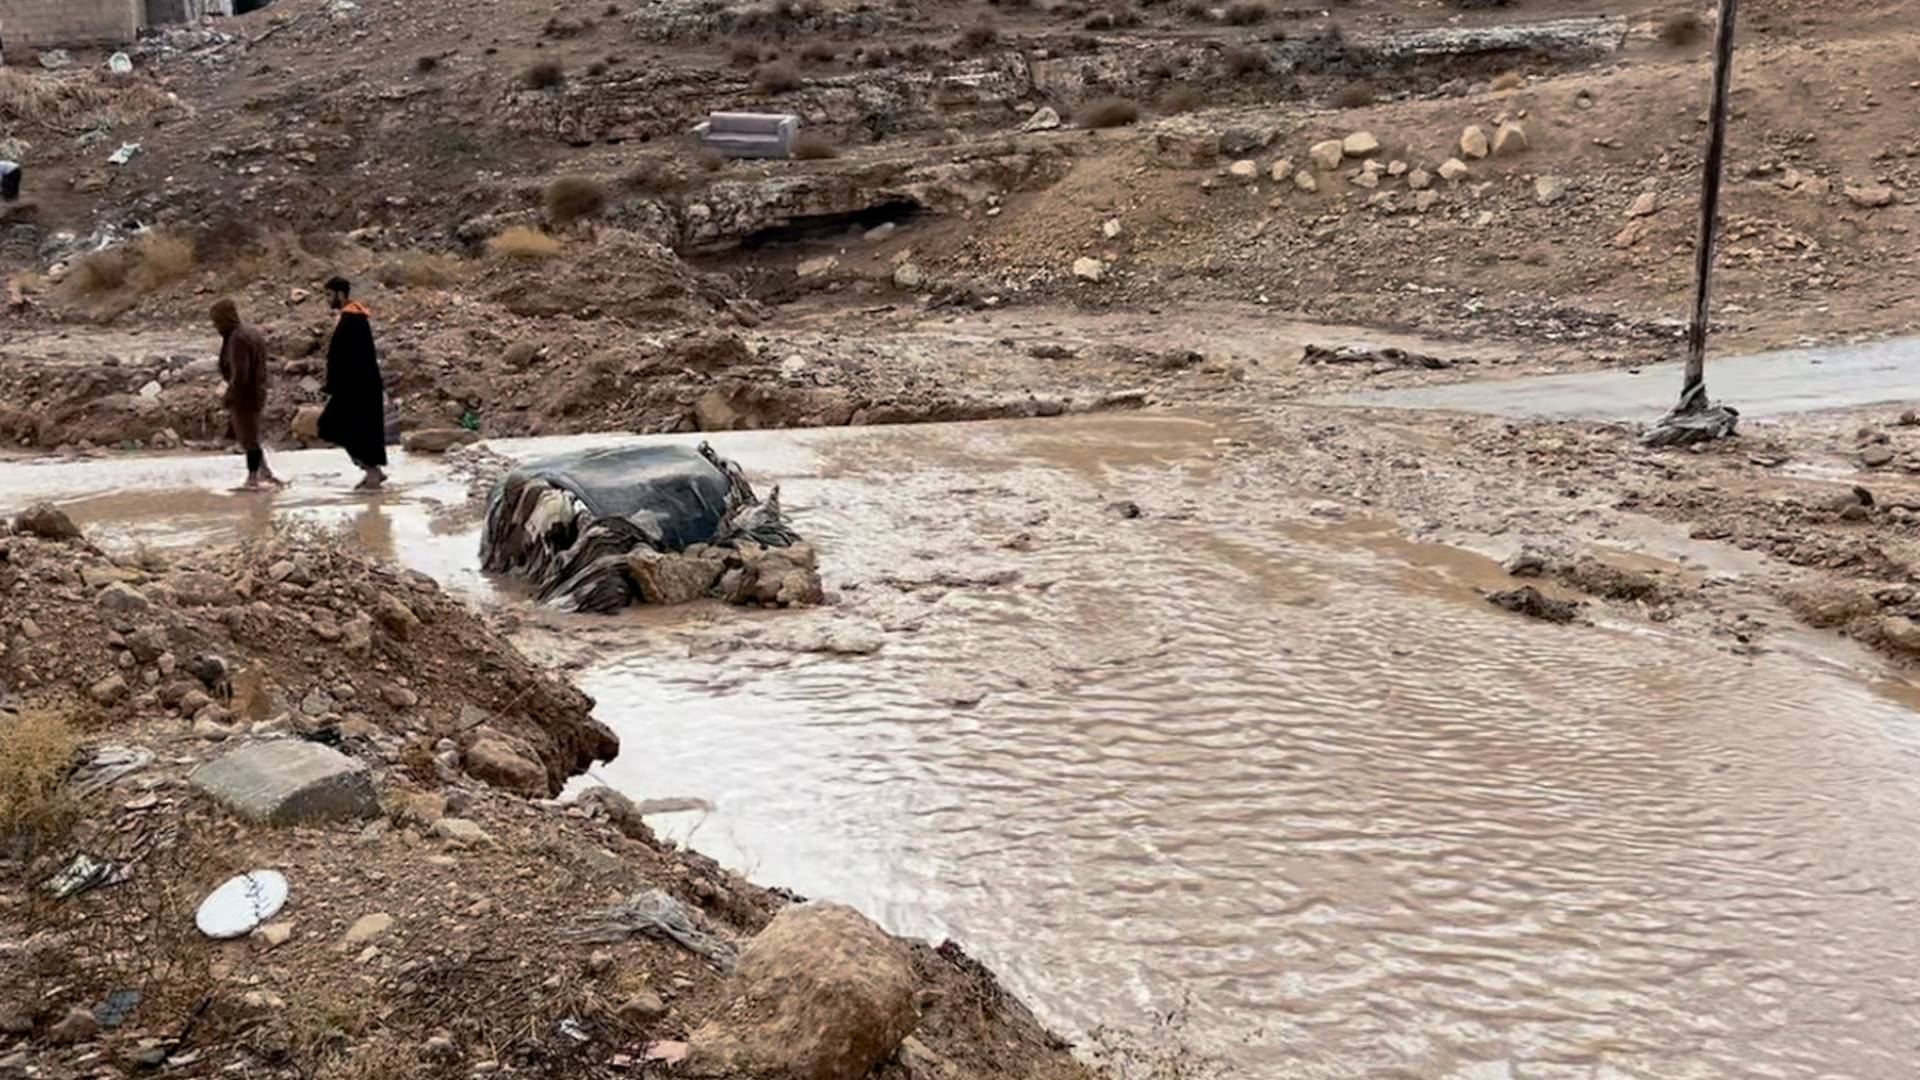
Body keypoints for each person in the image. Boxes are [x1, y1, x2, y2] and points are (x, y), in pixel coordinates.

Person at [317, 276, 389, 490]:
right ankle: (371, 471)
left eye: (329, 295)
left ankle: (372, 472)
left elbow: (347, 358)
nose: (327, 300)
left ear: (340, 294)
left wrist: (334, 386)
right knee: (348, 428)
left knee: (336, 425)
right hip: (355, 386)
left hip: (355, 387)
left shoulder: (352, 319)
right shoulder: (352, 317)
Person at [211, 298, 281, 490]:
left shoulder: (237, 339)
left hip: (245, 395)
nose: (215, 326)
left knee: (248, 439)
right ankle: (265, 473)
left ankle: (253, 478)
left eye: (216, 321)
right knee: (251, 436)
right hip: (258, 391)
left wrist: (229, 396)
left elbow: (240, 374)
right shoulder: (251, 333)